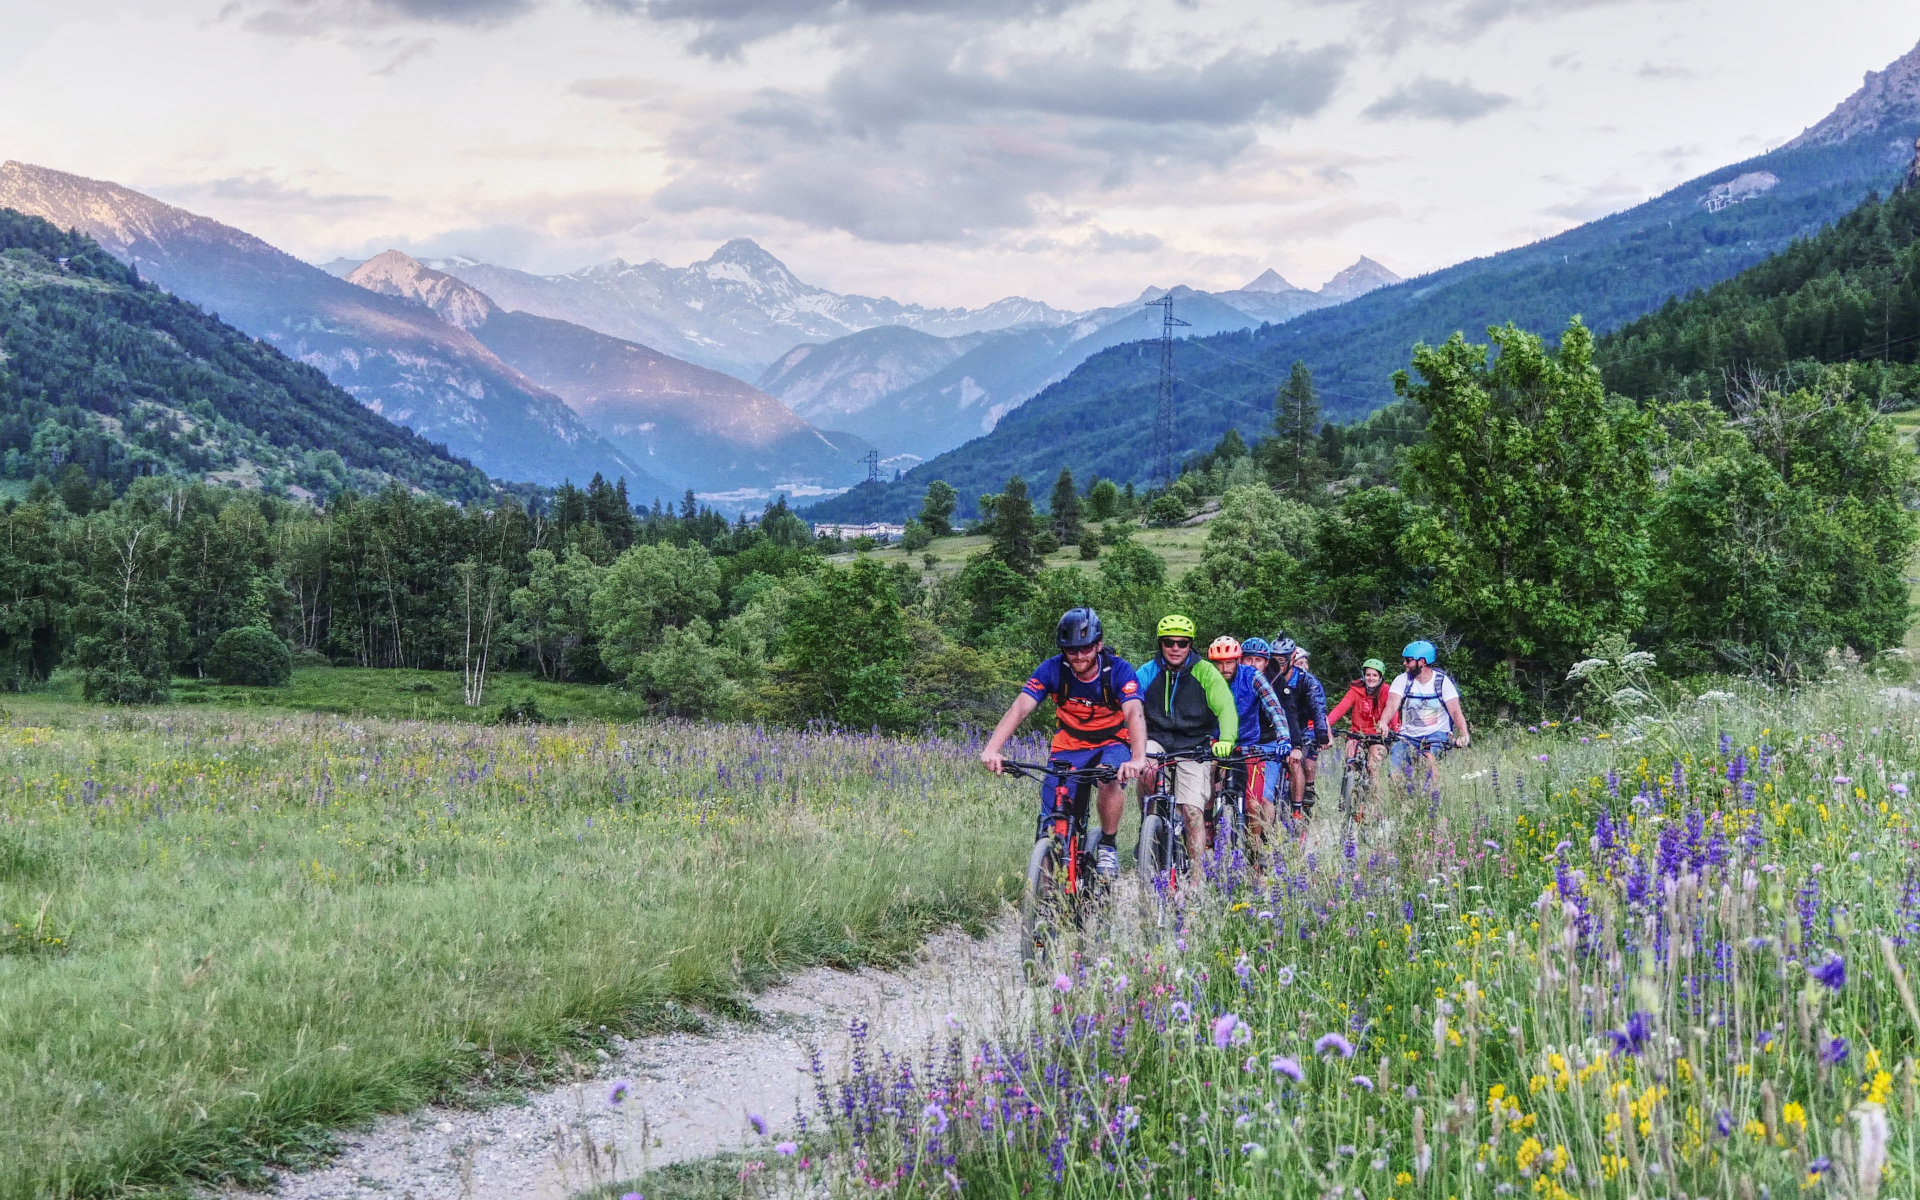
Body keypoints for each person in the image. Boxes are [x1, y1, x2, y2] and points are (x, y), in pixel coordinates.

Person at [981, 607, 1148, 879]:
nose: (1079, 656)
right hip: (1070, 744)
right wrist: (992, 749)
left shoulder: (1118, 670)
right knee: (1051, 822)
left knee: (1109, 778)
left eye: (1085, 648)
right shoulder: (1052, 669)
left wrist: (1138, 757)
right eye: (1071, 650)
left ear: (1099, 645)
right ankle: (1048, 892)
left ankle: (1107, 843)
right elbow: (1020, 708)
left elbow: (1134, 712)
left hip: (1112, 741)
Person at [1134, 615, 1237, 872]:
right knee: (1145, 768)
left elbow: (1226, 709)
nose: (1176, 648)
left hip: (1194, 744)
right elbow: (1128, 704)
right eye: (1169, 642)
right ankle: (1148, 823)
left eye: (1182, 643)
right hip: (1156, 738)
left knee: (1192, 811)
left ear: (1190, 644)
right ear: (1161, 644)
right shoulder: (1148, 671)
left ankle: (1197, 877)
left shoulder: (1206, 672)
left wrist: (1225, 740)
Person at [1208, 635, 1291, 853]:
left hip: (1248, 745)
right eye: (1219, 663)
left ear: (1237, 661)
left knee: (1254, 805)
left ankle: (1255, 854)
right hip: (1215, 742)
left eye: (1229, 662)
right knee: (1205, 788)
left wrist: (1283, 737)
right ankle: (1207, 831)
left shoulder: (1253, 677)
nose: (1224, 668)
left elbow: (1273, 706)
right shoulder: (1205, 677)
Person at [1386, 640, 1471, 789]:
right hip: (1408, 736)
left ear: (1422, 662)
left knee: (1429, 760)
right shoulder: (1402, 680)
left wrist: (1464, 734)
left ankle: (1433, 800)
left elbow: (1455, 711)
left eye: (1408, 660)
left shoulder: (1442, 682)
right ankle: (1401, 807)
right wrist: (1382, 722)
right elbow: (1392, 705)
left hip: (1436, 734)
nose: (1404, 663)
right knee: (1394, 771)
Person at [1260, 636, 1317, 819]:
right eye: (1274, 658)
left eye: (1282, 659)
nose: (1278, 663)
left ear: (1291, 658)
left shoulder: (1301, 681)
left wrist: (1297, 746)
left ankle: (1297, 809)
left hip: (1294, 730)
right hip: (1266, 735)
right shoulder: (1263, 677)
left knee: (1294, 762)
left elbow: (1291, 713)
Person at [1327, 657, 1390, 809]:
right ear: (1363, 676)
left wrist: (1395, 728)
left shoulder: (1386, 691)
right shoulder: (1355, 690)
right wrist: (1326, 724)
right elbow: (1340, 709)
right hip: (1357, 733)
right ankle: (1345, 800)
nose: (1371, 678)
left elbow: (1392, 711)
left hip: (1378, 737)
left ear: (1380, 677)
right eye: (1368, 674)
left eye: (1375, 675)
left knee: (1372, 766)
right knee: (1350, 760)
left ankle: (1375, 806)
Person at [1291, 646, 1331, 809]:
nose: (1305, 667)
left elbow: (1320, 711)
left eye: (1306, 663)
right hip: (1288, 727)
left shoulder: (1313, 683)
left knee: (1308, 760)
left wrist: (1326, 734)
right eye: (1300, 663)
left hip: (1310, 727)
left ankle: (1309, 787)